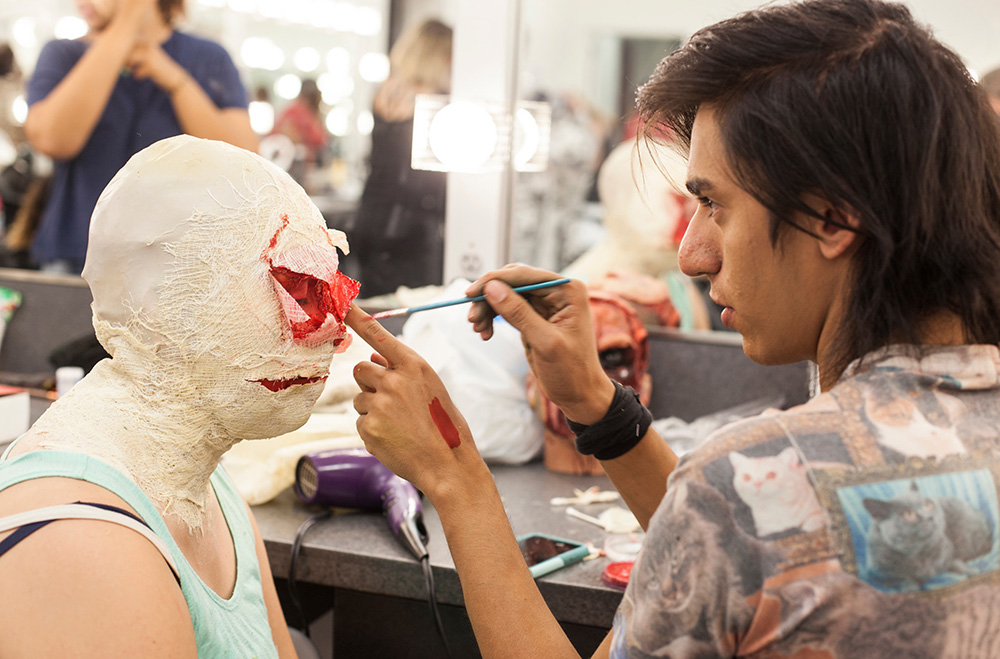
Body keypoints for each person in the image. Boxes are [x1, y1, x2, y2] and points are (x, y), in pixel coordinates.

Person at [342, 0, 1000, 656]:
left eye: (714, 203)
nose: (691, 253)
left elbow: (734, 529)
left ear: (832, 218)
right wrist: (597, 407)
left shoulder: (740, 487)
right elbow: (755, 547)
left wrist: (454, 474)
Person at [0, 135, 360, 656]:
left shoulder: (206, 485)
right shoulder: (81, 540)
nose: (335, 329)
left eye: (334, 288)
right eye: (298, 286)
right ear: (159, 305)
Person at [24, 0, 257, 274]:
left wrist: (174, 79)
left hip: (179, 265)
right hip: (77, 256)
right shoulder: (64, 53)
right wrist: (127, 23)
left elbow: (245, 162)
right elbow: (53, 139)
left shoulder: (209, 58)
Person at [349, 18, 452, 297]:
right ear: (440, 55)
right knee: (414, 313)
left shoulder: (385, 92)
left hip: (371, 216)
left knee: (378, 314)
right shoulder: (439, 102)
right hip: (413, 227)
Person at [272, 78, 328, 187]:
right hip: (293, 172)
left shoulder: (294, 111)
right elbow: (320, 139)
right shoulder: (300, 112)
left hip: (293, 172)